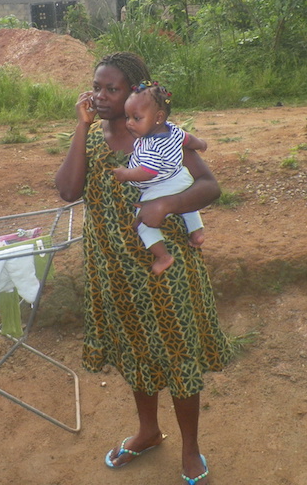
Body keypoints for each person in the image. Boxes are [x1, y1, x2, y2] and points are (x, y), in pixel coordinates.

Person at [55, 52, 231, 485]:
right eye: (96, 87)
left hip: (165, 268)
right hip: (113, 267)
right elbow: (67, 190)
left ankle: (190, 448)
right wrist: (81, 127)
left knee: (177, 351)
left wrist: (167, 204)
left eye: (110, 89)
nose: (99, 96)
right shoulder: (93, 140)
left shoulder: (160, 135)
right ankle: (148, 431)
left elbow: (210, 185)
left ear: (135, 92)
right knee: (135, 351)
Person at [113, 81, 208, 275]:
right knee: (187, 207)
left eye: (136, 118)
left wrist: (125, 174)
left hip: (160, 186)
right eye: (127, 117)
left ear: (158, 117)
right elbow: (188, 139)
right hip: (181, 178)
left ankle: (163, 255)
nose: (129, 123)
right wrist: (201, 144)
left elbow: (147, 172)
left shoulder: (151, 145)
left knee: (142, 221)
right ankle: (197, 233)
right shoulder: (172, 129)